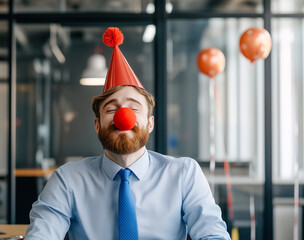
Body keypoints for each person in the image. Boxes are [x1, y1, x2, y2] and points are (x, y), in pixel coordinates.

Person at [25, 27, 231, 240]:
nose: (123, 117)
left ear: (150, 124)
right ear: (97, 125)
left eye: (133, 109)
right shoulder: (68, 179)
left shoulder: (184, 174)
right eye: (112, 110)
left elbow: (212, 234)